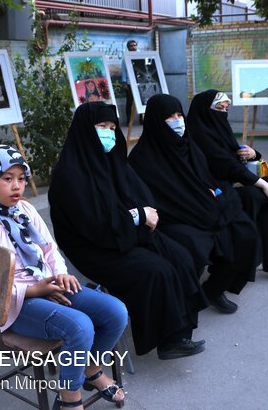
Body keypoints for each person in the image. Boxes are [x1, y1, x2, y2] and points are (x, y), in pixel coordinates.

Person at [0, 144, 128, 410]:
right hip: (10, 307)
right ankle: (69, 398)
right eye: (7, 178)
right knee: (80, 327)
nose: (17, 186)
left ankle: (90, 368)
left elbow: (49, 249)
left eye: (21, 178)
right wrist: (33, 291)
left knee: (116, 312)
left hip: (48, 285)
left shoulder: (24, 211)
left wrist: (60, 274)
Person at [48, 102, 208, 360]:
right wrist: (137, 216)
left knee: (180, 255)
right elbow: (94, 223)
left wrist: (137, 217)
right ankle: (166, 341)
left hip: (125, 234)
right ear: (85, 130)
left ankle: (180, 332)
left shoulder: (113, 161)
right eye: (102, 126)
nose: (109, 132)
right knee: (157, 271)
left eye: (112, 127)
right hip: (93, 246)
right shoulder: (70, 173)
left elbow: (141, 196)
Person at [128, 94, 261, 314]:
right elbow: (156, 200)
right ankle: (185, 303)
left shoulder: (189, 146)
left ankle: (213, 290)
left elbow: (208, 181)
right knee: (197, 244)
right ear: (154, 120)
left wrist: (214, 198)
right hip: (174, 218)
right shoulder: (142, 159)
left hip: (203, 209)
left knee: (244, 232)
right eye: (170, 117)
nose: (178, 121)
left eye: (180, 115)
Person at [188, 89, 268, 282]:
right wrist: (263, 184)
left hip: (232, 183)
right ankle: (247, 265)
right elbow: (225, 165)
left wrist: (255, 154)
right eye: (220, 108)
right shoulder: (198, 135)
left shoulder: (218, 127)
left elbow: (235, 155)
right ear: (205, 110)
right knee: (259, 195)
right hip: (213, 192)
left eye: (226, 108)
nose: (224, 112)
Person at [121, 39, 139, 124]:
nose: (133, 47)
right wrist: (124, 82)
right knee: (129, 102)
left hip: (140, 82)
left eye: (135, 45)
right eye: (131, 46)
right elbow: (124, 71)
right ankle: (129, 121)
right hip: (130, 83)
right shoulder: (125, 58)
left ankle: (142, 120)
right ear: (128, 47)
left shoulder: (140, 55)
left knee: (142, 101)